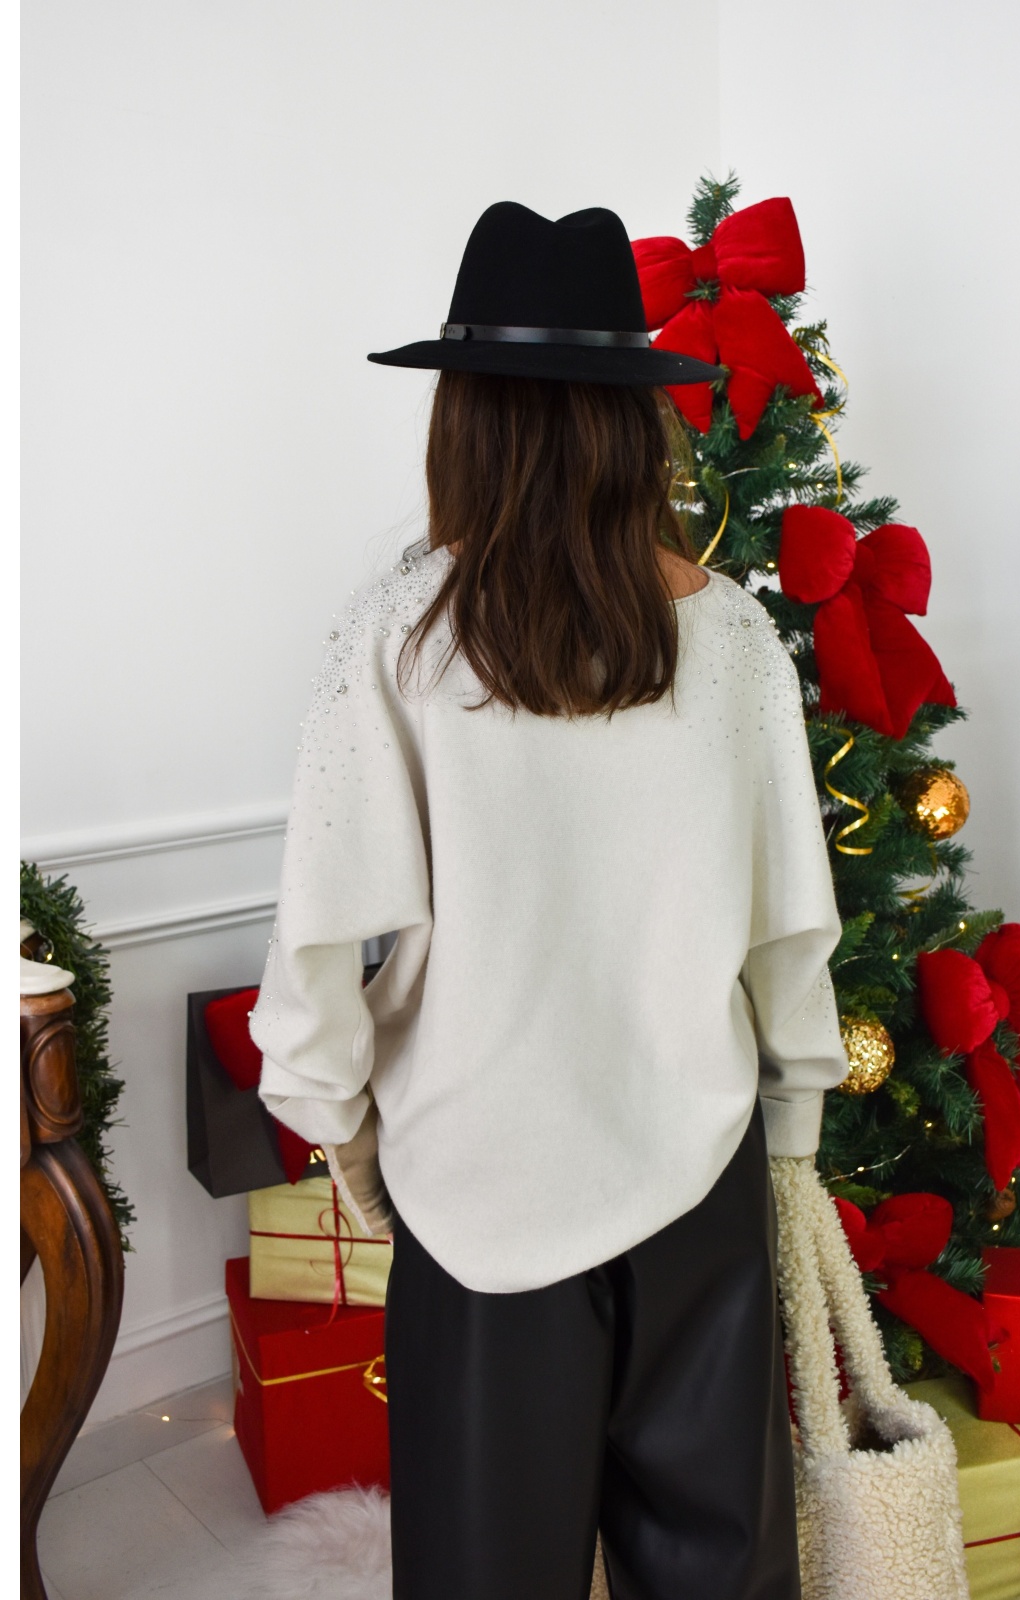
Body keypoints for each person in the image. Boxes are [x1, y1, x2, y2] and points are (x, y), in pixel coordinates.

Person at [250, 201, 849, 1600]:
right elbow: (788, 936)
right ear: (637, 422)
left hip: (475, 1186)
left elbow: (319, 943)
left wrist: (345, 1137)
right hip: (698, 1176)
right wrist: (791, 1132)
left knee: (485, 1573)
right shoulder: (736, 639)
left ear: (462, 419)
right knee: (718, 1573)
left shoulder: (394, 642)